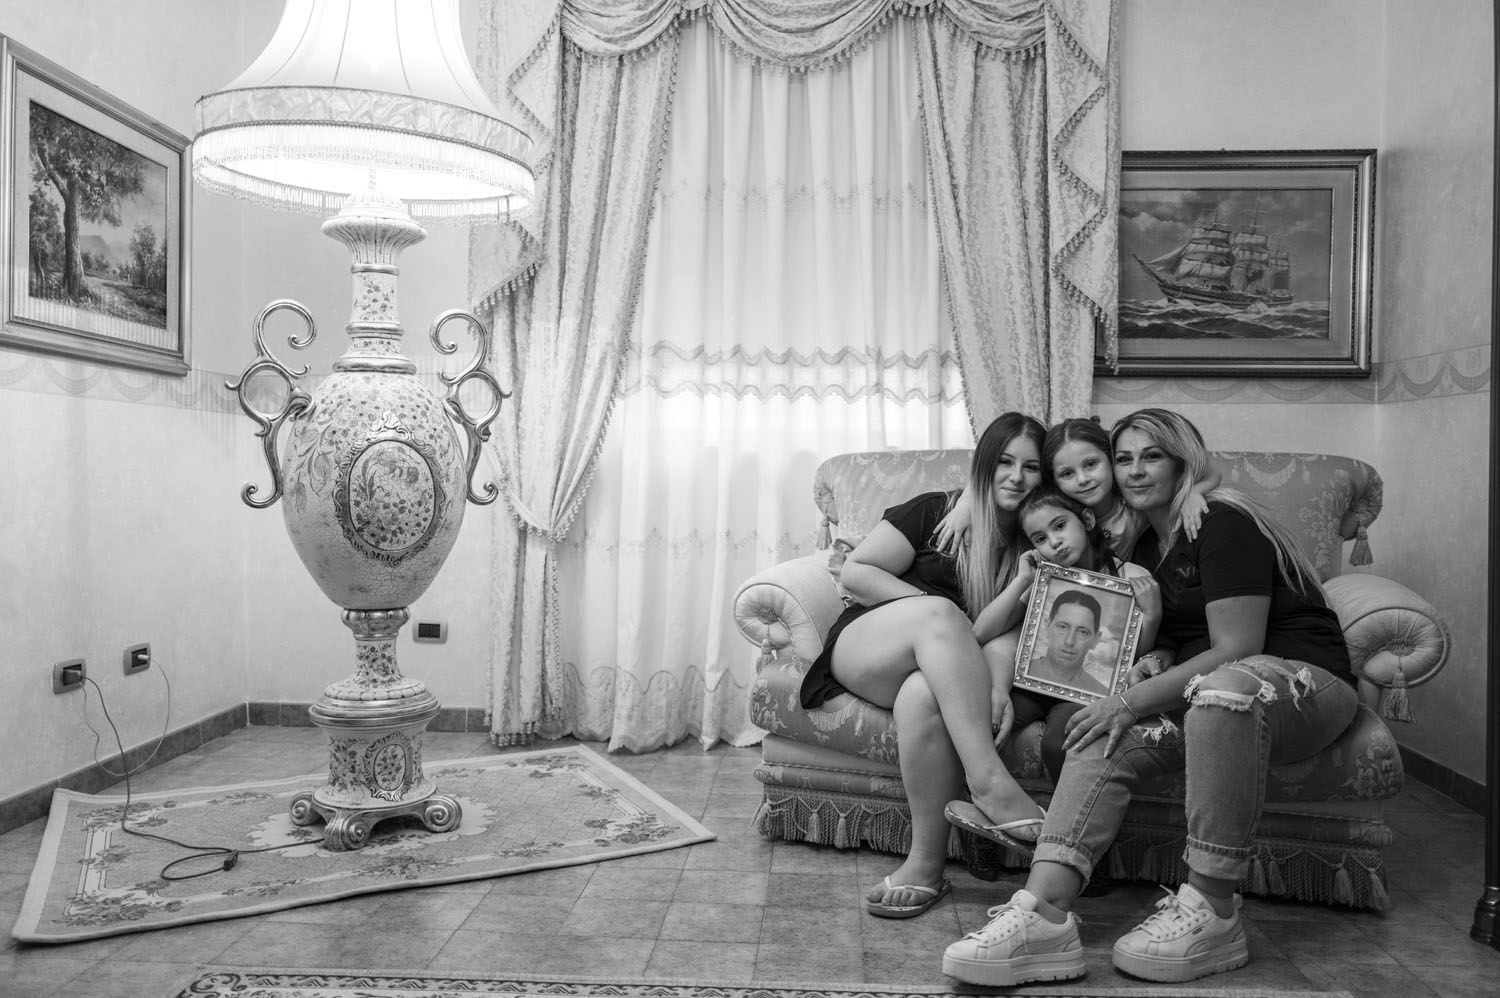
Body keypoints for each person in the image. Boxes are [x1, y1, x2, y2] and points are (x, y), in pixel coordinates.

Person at [942, 408, 1361, 987]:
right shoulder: (1143, 543)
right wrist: (1151, 664)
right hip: (1210, 687)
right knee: (1096, 727)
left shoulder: (1221, 521)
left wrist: (1131, 700)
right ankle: (1042, 916)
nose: (1134, 470)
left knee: (1215, 692)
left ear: (1183, 462)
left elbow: (1235, 648)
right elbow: (1178, 638)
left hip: (1303, 681)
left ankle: (1212, 909)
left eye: (1152, 456)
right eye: (1124, 458)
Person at [798, 412, 1048, 919]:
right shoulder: (936, 511)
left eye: (1032, 467)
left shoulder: (1037, 543)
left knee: (922, 693)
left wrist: (995, 681)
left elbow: (1006, 633)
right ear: (984, 463)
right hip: (870, 644)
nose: (1016, 477)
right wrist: (934, 613)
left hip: (946, 673)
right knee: (939, 616)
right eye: (1004, 462)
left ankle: (925, 867)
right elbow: (857, 572)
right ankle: (989, 784)